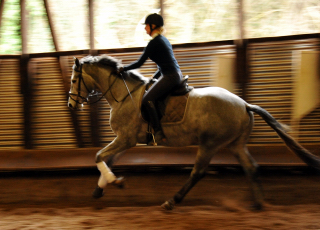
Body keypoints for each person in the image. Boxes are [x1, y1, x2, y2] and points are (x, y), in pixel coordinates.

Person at [118, 13, 183, 144]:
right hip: (174, 74)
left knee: (147, 99)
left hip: (170, 76)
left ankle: (158, 132)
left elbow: (139, 63)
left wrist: (122, 69)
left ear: (153, 26)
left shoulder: (154, 43)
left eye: (147, 26)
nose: (145, 29)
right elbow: (164, 64)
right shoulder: (163, 40)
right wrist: (154, 78)